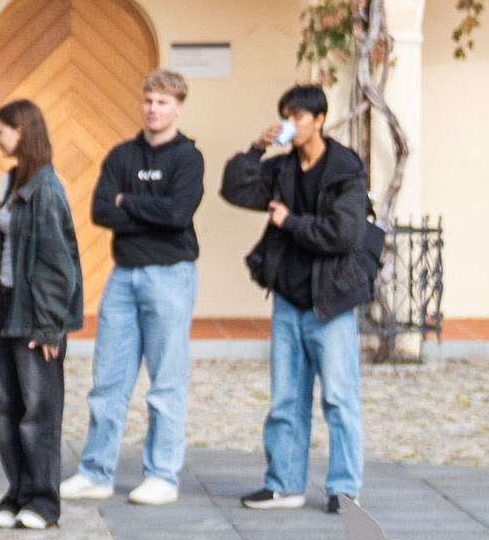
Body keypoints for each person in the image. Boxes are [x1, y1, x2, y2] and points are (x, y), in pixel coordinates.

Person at [221, 84, 374, 515]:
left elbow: (344, 234)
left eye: (299, 116)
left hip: (332, 303)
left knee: (340, 401)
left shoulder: (345, 170)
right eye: (286, 115)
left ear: (319, 120)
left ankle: (344, 491)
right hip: (289, 299)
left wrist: (291, 222)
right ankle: (284, 485)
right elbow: (235, 189)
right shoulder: (283, 169)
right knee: (286, 399)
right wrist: (256, 147)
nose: (291, 123)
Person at [67, 67, 209, 507]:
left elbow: (178, 214)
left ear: (178, 107)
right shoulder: (122, 156)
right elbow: (100, 211)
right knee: (107, 381)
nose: (153, 108)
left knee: (165, 383)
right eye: (149, 100)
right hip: (123, 277)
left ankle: (162, 475)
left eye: (163, 102)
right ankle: (96, 471)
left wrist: (129, 201)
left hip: (171, 274)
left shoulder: (188, 158)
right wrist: (148, 207)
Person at [0, 101, 82, 533]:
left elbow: (60, 266)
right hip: (6, 307)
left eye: (0, 131)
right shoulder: (10, 182)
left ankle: (43, 500)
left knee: (39, 409)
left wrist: (49, 326)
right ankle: (16, 492)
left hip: (35, 315)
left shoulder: (46, 191)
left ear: (21, 132)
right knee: (5, 405)